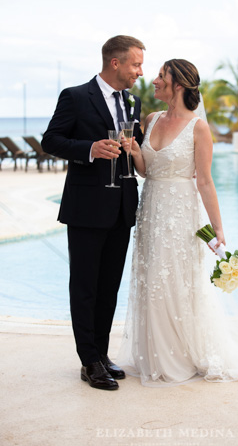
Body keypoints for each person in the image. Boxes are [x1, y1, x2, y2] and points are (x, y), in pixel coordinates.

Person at [117, 59, 238, 386]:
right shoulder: (150, 119)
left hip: (182, 214)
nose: (153, 81)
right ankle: (155, 354)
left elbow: (205, 182)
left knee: (176, 282)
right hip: (150, 209)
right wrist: (133, 150)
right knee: (149, 280)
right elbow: (145, 170)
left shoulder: (198, 128)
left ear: (177, 84)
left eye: (160, 76)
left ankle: (182, 355)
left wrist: (217, 228)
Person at [41, 35, 145, 390]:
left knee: (109, 287)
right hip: (86, 208)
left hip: (122, 205)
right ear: (114, 63)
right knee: (84, 286)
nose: (140, 72)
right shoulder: (75, 96)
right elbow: (51, 140)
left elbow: (137, 147)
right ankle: (88, 362)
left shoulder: (133, 101)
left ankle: (101, 354)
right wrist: (89, 148)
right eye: (135, 64)